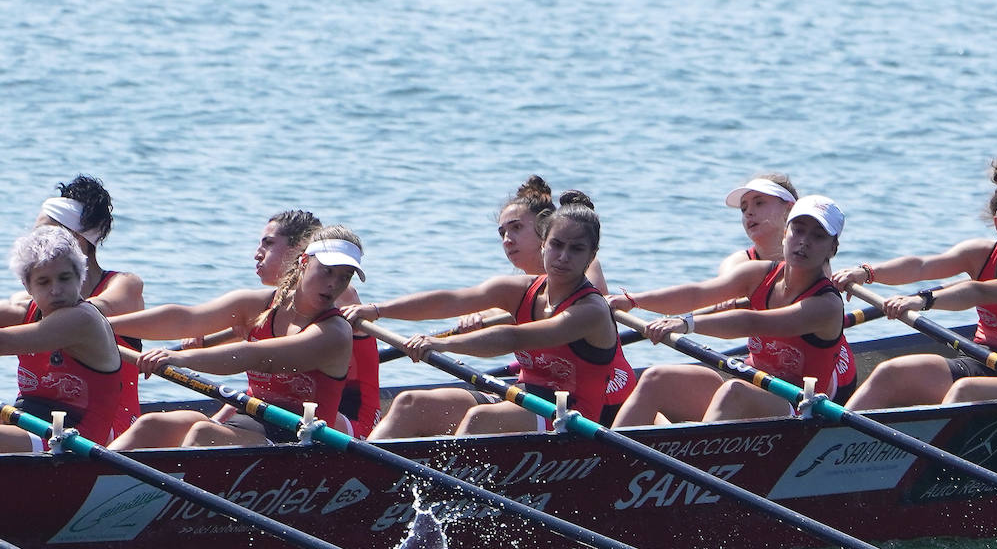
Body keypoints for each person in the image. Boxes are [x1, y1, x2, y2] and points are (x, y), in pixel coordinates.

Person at [349, 191, 631, 436]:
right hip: (525, 399)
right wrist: (377, 309)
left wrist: (441, 344)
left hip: (573, 417)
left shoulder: (591, 310)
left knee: (480, 419)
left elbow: (513, 338)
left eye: (576, 249)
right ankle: (364, 480)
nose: (563, 256)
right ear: (544, 243)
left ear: (591, 256)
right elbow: (450, 301)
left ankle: (442, 491)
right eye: (557, 245)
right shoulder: (518, 289)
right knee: (410, 403)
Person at [835, 158, 997, 409]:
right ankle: (822, 440)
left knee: (965, 390)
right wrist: (867, 272)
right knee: (890, 372)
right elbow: (921, 266)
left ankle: (930, 444)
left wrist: (921, 301)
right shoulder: (980, 254)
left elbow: (977, 292)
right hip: (980, 361)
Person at [107, 225, 365, 448]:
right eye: (327, 271)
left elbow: (258, 357)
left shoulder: (334, 332)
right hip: (252, 422)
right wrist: (103, 324)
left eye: (345, 277)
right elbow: (186, 319)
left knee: (203, 433)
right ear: (304, 262)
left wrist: (178, 358)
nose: (334, 284)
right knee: (151, 424)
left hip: (303, 440)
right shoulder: (257, 305)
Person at [608, 194, 846, 425]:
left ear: (831, 249)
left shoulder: (826, 305)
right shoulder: (758, 274)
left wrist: (686, 323)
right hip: (751, 387)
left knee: (734, 389)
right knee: (655, 379)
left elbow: (752, 323)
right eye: (799, 230)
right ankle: (606, 460)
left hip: (798, 408)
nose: (804, 241)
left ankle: (695, 458)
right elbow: (697, 293)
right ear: (785, 234)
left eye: (818, 236)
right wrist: (633, 300)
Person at [193, 210, 381, 437]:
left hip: (347, 420)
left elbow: (267, 354)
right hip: (293, 406)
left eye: (268, 244)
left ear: (299, 251)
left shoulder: (339, 295)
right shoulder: (280, 303)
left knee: (281, 400)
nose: (257, 254)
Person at [6, 175, 144, 436]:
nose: (33, 242)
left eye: (43, 234)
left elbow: (95, 309)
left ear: (74, 241)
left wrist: (42, 309)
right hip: (41, 418)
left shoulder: (123, 286)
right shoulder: (29, 303)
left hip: (106, 432)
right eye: (43, 281)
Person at [718, 173, 857, 401]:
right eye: (744, 208)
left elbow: (750, 321)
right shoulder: (739, 263)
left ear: (788, 210)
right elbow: (716, 292)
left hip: (818, 375)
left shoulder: (814, 260)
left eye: (760, 203)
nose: (749, 213)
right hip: (769, 361)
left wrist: (689, 325)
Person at [0, 226, 124, 451]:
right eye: (44, 282)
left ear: (80, 277)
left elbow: (5, 342)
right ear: (27, 286)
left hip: (74, 440)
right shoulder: (23, 311)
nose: (56, 290)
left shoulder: (82, 319)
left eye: (64, 278)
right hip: (30, 421)